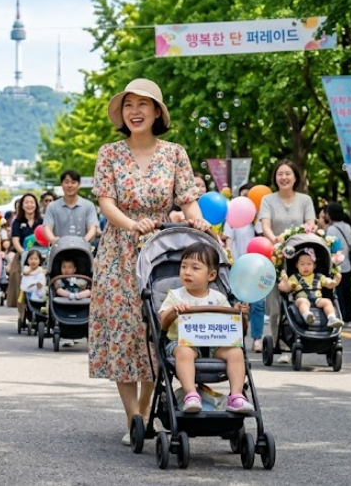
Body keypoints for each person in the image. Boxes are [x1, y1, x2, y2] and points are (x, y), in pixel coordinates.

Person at [90, 78, 211, 446]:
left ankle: (146, 410)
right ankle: (133, 419)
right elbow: (106, 201)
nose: (135, 111)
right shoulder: (109, 153)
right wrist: (130, 224)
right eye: (129, 105)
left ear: (157, 111)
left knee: (157, 330)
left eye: (143, 104)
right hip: (118, 252)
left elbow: (188, 199)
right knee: (123, 332)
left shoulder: (175, 153)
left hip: (161, 252)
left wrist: (198, 218)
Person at [157, 243, 254, 414]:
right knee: (185, 352)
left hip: (214, 344)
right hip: (181, 342)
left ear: (211, 275)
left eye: (195, 268)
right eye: (183, 266)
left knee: (236, 352)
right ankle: (191, 394)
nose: (187, 272)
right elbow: (162, 320)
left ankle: (236, 396)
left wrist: (240, 315)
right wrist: (174, 311)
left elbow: (233, 327)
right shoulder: (175, 295)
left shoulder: (218, 298)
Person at [258, 160, 316, 363]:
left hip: (301, 259)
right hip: (276, 256)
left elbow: (310, 224)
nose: (284, 177)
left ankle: (303, 337)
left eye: (288, 174)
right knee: (275, 305)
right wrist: (274, 240)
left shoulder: (305, 200)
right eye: (280, 174)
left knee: (303, 298)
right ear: (275, 177)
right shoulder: (268, 200)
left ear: (295, 177)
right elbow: (266, 225)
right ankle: (278, 343)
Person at [226, 183, 266, 349]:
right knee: (238, 304)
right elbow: (228, 238)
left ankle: (257, 338)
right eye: (244, 195)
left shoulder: (260, 219)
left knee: (258, 304)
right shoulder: (233, 216)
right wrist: (228, 253)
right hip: (238, 267)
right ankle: (238, 337)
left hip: (258, 267)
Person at [278, 249, 344, 328]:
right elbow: (286, 288)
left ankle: (332, 318)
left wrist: (335, 282)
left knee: (327, 301)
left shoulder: (319, 277)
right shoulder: (295, 278)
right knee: (302, 302)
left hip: (317, 299)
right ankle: (307, 315)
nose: (306, 267)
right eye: (302, 264)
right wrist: (283, 283)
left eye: (309, 264)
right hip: (302, 298)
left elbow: (328, 283)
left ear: (314, 265)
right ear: (297, 266)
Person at [320, 202, 351, 328]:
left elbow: (328, 247)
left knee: (337, 293)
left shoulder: (331, 229)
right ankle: (349, 318)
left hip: (335, 265)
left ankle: (340, 316)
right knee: (347, 292)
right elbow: (349, 243)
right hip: (347, 264)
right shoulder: (347, 226)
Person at [43, 170, 100, 245]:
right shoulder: (52, 207)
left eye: (73, 182)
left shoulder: (88, 206)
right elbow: (47, 228)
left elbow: (92, 228)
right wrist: (53, 239)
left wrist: (84, 241)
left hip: (83, 251)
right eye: (66, 182)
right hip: (59, 250)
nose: (70, 185)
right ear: (62, 184)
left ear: (79, 184)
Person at [10, 193, 42, 323]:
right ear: (22, 205)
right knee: (20, 282)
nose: (29, 205)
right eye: (26, 202)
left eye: (32, 202)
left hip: (41, 256)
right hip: (22, 256)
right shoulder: (17, 222)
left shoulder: (42, 221)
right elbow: (15, 240)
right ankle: (22, 313)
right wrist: (24, 253)